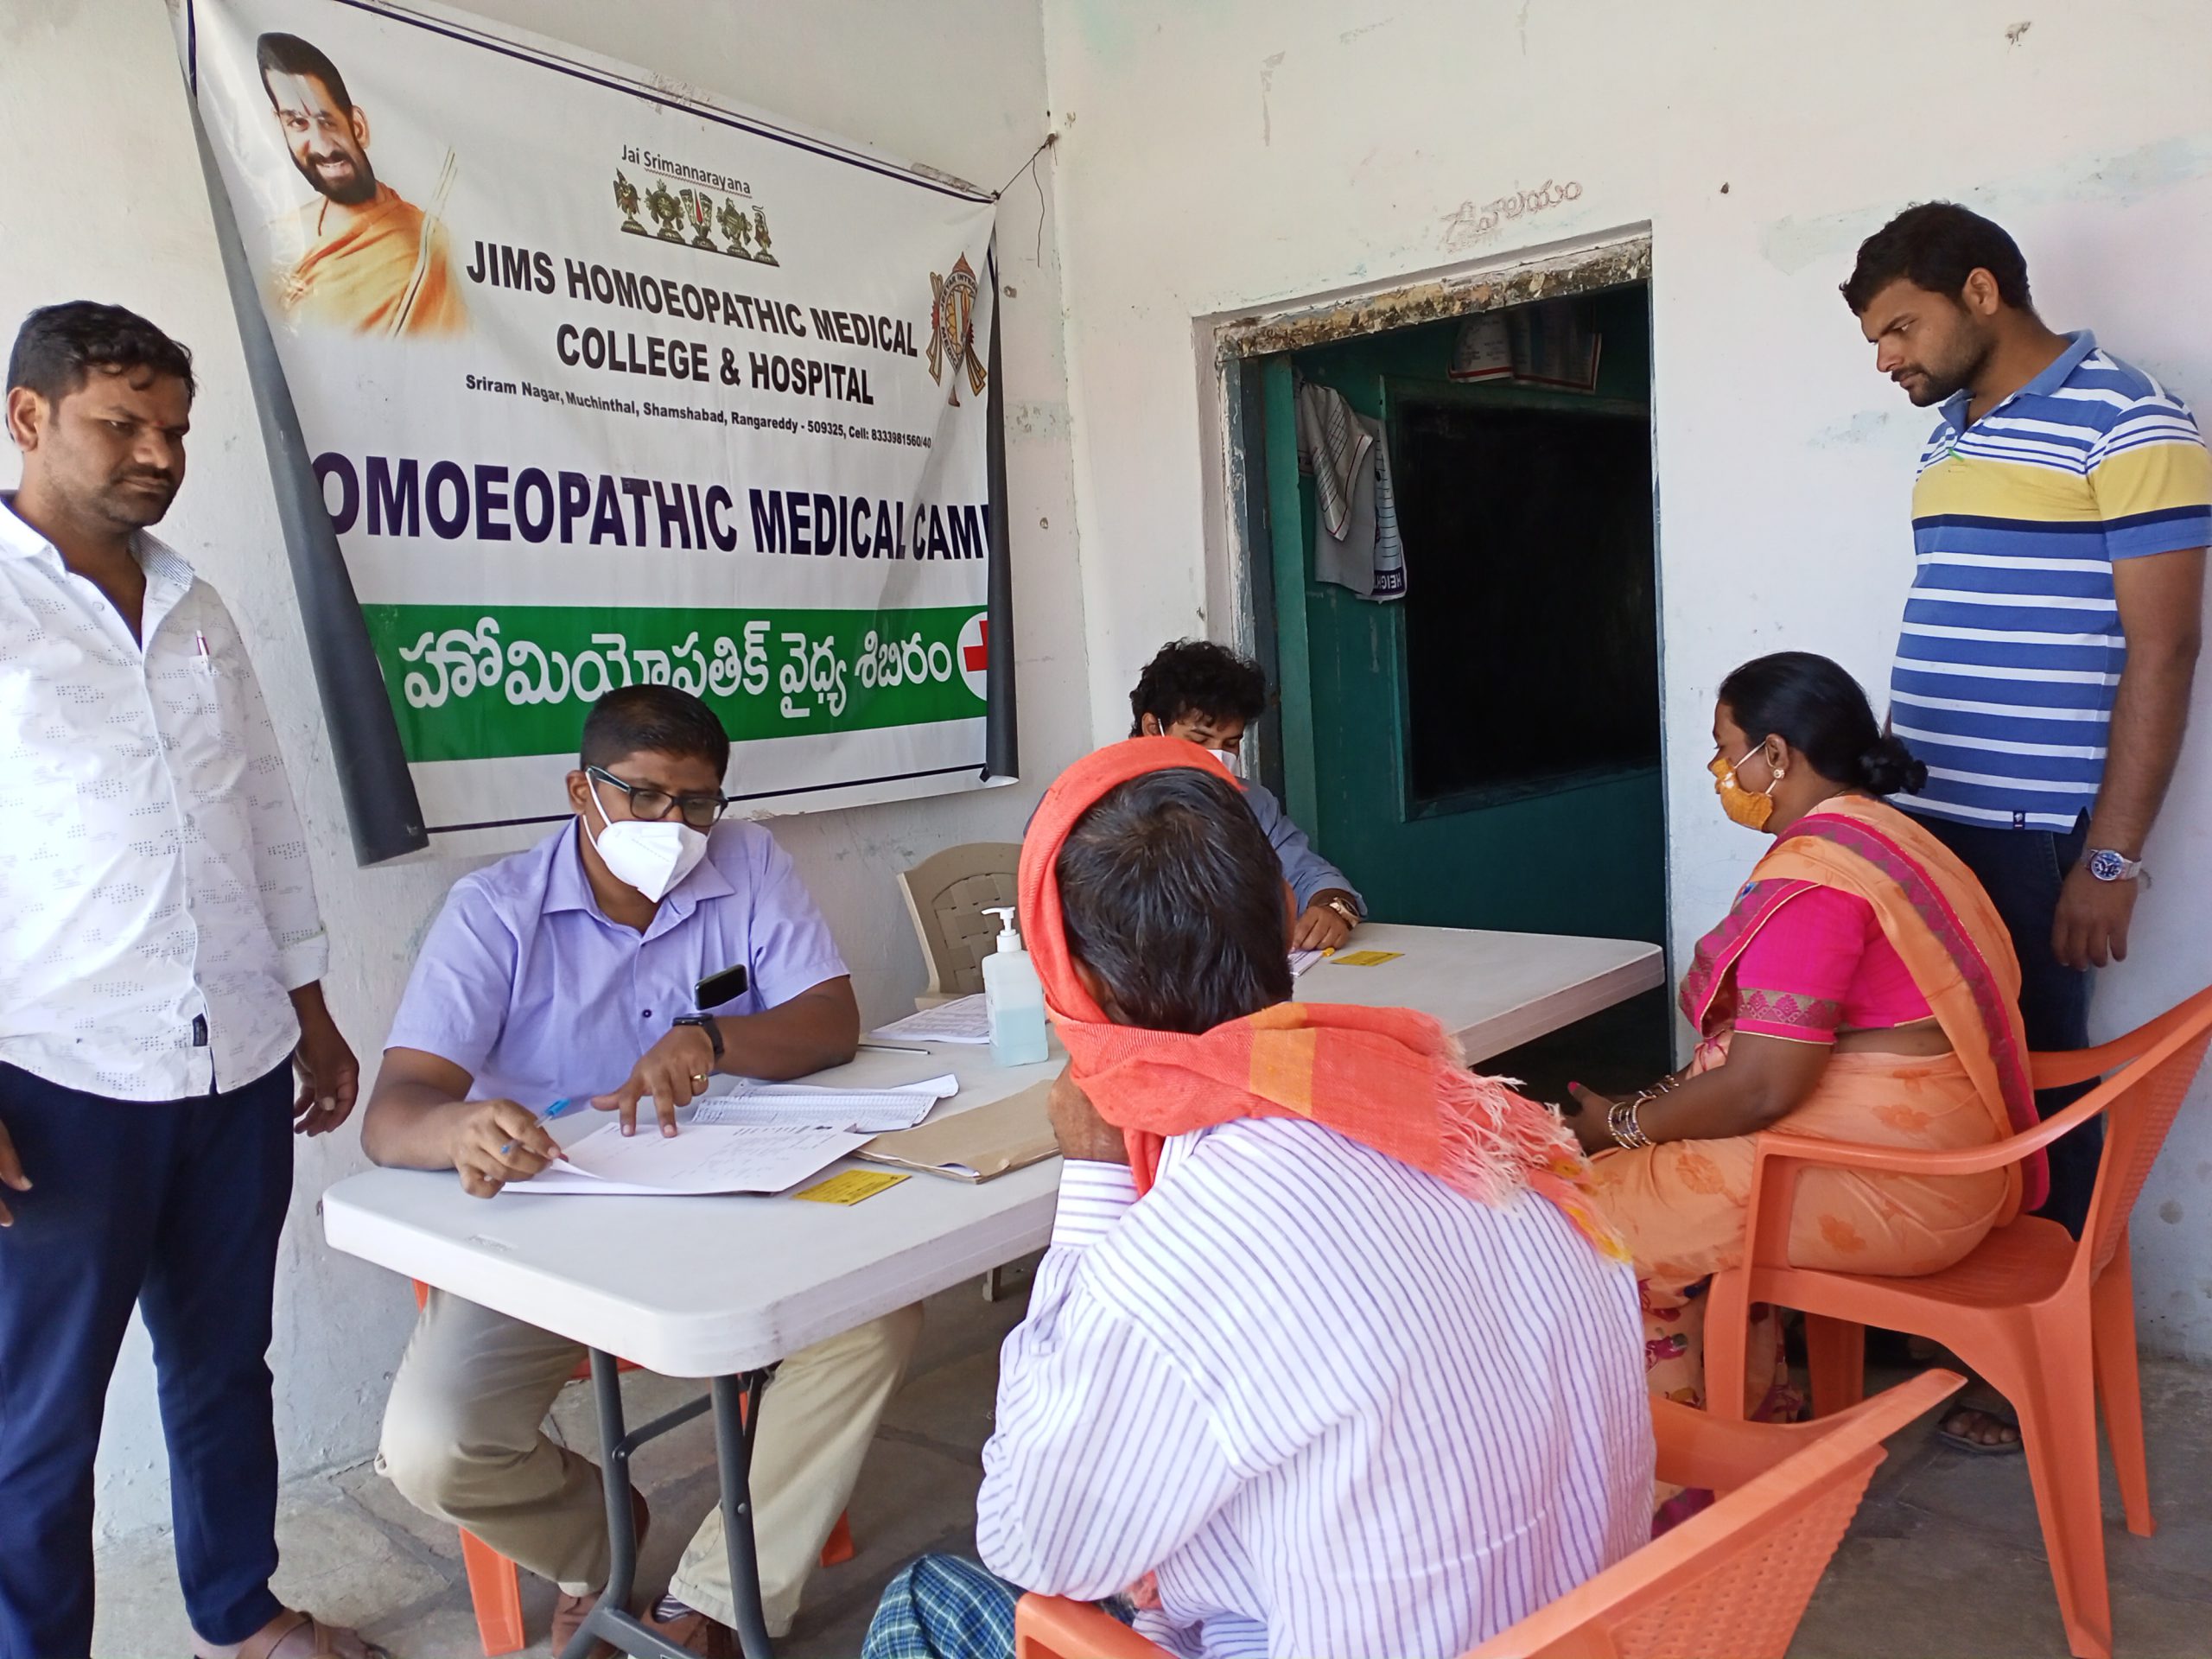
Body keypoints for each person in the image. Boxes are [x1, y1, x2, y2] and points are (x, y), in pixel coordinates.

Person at [862, 737, 1649, 1659]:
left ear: (1075, 987)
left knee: (922, 1603)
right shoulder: (1474, 1128)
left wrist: (1094, 1188)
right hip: (1578, 1633)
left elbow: (1038, 1542)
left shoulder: (1178, 1254)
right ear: (1282, 915)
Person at [364, 683, 918, 1654]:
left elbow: (831, 1021)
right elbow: (395, 1110)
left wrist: (711, 1037)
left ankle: (707, 1596)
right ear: (583, 792)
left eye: (697, 802)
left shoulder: (745, 864)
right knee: (434, 1444)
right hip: (552, 1222)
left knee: (872, 1317)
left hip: (729, 1193)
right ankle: (599, 1545)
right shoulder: (495, 913)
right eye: (646, 797)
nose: (674, 825)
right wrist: (460, 1132)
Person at [0, 302, 372, 1659]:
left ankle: (241, 1606)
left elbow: (263, 815)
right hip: (56, 1083)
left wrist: (313, 1010)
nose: (158, 452)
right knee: (39, 1416)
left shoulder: (196, 602)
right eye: (122, 423)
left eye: (174, 429)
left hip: (235, 1062)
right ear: (29, 418)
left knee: (223, 1367)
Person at [1563, 654, 2042, 1468]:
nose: (1721, 771)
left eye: (1727, 749)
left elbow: (1761, 1088)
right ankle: (1755, 1425)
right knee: (1670, 1179)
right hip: (1947, 1156)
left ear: (1776, 756)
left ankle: (1676, 1478)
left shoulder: (1818, 885)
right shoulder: (1890, 836)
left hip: (1900, 1186)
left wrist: (1622, 1125)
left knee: (1579, 1223)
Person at [1843, 202, 2208, 1265]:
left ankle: (2034, 1345)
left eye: (1899, 329)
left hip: (2031, 832)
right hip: (1916, 817)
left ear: (1981, 292)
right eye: (1874, 340)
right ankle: (1940, 1307)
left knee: (2041, 1083)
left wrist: (2109, 858)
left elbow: (2165, 652)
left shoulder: (2130, 422)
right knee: (1933, 1075)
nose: (1886, 360)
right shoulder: (1949, 436)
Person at [1128, 639, 1365, 950]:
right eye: (1199, 739)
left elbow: (1308, 873)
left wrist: (1334, 909)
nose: (1216, 755)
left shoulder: (1251, 802)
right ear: (1152, 728)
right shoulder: (1095, 805)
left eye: (1229, 744)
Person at [256, 33, 467, 337]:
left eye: (328, 122)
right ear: (280, 127)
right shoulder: (275, 242)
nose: (322, 147)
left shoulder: (428, 244)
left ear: (358, 127)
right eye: (297, 123)